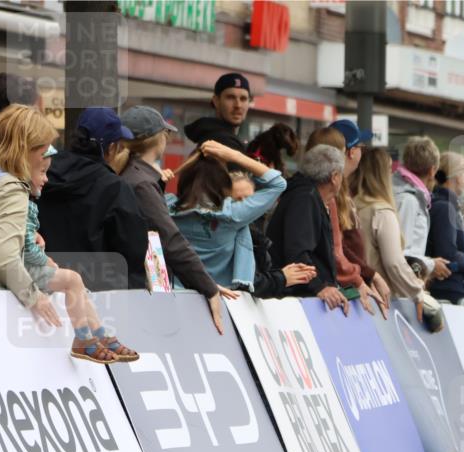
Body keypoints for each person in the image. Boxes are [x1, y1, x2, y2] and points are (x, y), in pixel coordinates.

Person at [0, 105, 136, 362]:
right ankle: (91, 337)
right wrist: (34, 297)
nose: (48, 156)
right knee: (72, 280)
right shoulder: (12, 188)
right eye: (43, 150)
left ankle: (96, 336)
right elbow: (3, 257)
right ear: (28, 150)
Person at [118, 105, 236, 334]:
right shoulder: (141, 182)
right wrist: (208, 286)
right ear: (159, 138)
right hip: (143, 295)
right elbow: (170, 240)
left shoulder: (134, 175)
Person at [36, 107, 148, 290]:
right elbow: (133, 253)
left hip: (44, 288)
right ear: (111, 148)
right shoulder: (115, 188)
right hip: (100, 298)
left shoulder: (42, 174)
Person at [169, 140, 285, 291]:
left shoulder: (166, 207)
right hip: (220, 298)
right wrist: (234, 156)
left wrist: (160, 181)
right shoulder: (231, 214)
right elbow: (278, 183)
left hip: (174, 295)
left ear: (184, 179)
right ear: (224, 184)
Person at [353, 147, 443, 328]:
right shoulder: (382, 212)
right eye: (389, 170)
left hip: (357, 296)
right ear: (382, 174)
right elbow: (394, 262)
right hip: (381, 302)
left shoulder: (352, 206)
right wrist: (418, 293)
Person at [306, 125, 388, 317]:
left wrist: (365, 275)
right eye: (358, 147)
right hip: (326, 294)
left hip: (334, 290)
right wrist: (360, 279)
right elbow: (336, 250)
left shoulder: (337, 195)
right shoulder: (323, 196)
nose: (359, 153)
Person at [267, 144, 348, 313]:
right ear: (334, 177)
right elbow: (297, 251)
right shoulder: (305, 198)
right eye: (341, 174)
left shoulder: (306, 195)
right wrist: (319, 287)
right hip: (295, 300)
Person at [228, 171, 316, 298]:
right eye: (238, 200)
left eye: (250, 200)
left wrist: (286, 275)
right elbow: (246, 284)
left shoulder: (257, 236)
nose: (246, 206)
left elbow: (260, 278)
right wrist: (282, 278)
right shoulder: (222, 234)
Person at [393, 136, 451, 282]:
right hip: (401, 286)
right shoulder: (409, 200)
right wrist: (431, 264)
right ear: (432, 171)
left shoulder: (403, 193)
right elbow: (400, 252)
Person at [428, 151, 464, 303]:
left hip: (452, 289)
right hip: (449, 291)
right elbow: (448, 255)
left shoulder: (449, 206)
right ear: (457, 178)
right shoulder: (445, 208)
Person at [184, 72, 252, 147]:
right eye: (230, 97)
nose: (238, 105)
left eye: (243, 99)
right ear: (216, 101)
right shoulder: (223, 143)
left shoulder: (211, 136)